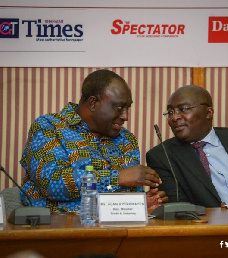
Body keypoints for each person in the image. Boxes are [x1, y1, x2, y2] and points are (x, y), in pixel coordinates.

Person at [20, 69, 167, 212]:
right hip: (59, 229)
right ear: (93, 103)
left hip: (117, 231)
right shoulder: (49, 127)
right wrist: (117, 178)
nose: (125, 116)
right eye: (119, 108)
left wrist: (141, 204)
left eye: (128, 108)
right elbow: (52, 183)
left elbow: (124, 193)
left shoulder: (126, 140)